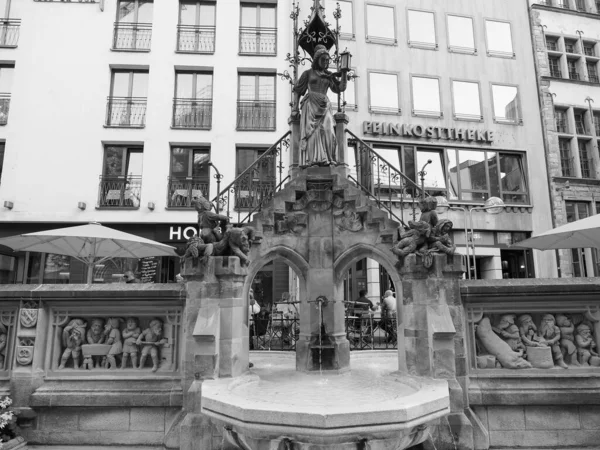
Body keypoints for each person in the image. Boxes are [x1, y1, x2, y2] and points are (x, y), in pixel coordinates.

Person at [293, 44, 348, 166]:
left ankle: (329, 158)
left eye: (327, 60)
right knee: (312, 133)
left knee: (329, 130)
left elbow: (340, 88)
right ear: (317, 60)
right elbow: (297, 90)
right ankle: (313, 160)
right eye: (323, 59)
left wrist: (344, 73)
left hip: (324, 106)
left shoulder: (329, 75)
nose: (325, 62)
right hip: (310, 105)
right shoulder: (307, 74)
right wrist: (295, 109)